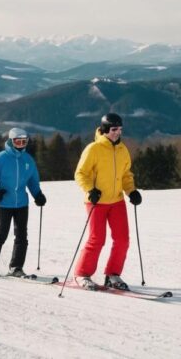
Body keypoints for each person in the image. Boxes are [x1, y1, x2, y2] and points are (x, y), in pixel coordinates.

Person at [73, 113, 142, 291]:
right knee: (97, 239)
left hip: (117, 201)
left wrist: (131, 191)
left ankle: (112, 274)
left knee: (122, 240)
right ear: (104, 130)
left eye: (120, 129)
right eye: (113, 130)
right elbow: (80, 173)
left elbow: (126, 174)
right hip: (96, 201)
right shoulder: (93, 149)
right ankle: (82, 274)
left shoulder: (122, 150)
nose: (117, 133)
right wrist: (90, 189)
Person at [0, 128, 46, 277]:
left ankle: (16, 267)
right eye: (18, 141)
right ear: (11, 141)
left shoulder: (28, 160)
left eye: (24, 142)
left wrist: (38, 194)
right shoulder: (0, 158)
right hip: (4, 202)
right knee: (1, 234)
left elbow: (32, 181)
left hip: (22, 203)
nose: (21, 145)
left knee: (22, 236)